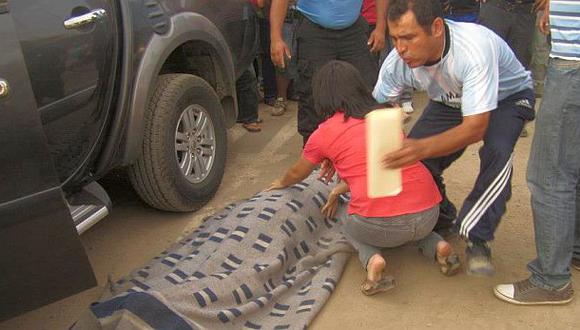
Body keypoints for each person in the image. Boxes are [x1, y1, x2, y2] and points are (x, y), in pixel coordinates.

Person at [267, 60, 461, 296]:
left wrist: (281, 182)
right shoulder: (384, 116)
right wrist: (339, 183)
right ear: (359, 87)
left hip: (382, 226)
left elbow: (298, 172)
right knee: (411, 220)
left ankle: (372, 261)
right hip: (430, 213)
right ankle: (438, 246)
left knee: (345, 219)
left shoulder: (323, 133)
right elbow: (377, 167)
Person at [374, 0, 535, 276]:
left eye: (409, 38)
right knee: (414, 163)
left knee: (497, 150)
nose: (400, 49)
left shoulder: (473, 49)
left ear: (436, 27)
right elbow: (375, 111)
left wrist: (420, 147)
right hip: (450, 101)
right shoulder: (395, 64)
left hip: (506, 98)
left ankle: (477, 235)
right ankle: (444, 216)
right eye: (395, 38)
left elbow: (475, 127)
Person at [494, 0, 579, 305]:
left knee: (550, 175)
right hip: (571, 57)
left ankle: (552, 280)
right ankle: (574, 249)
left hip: (574, 63)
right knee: (572, 162)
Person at [270, 0, 387, 145]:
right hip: (314, 31)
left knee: (366, 88)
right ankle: (314, 153)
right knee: (312, 92)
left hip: (354, 31)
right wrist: (275, 38)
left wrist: (381, 27)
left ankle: (364, 145)